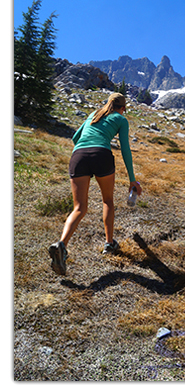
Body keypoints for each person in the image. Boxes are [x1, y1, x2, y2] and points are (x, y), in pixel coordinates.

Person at [48, 92, 141, 276]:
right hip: (101, 155)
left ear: (108, 104)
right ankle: (109, 244)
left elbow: (75, 138)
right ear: (123, 108)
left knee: (79, 208)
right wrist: (132, 179)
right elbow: (125, 148)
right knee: (107, 201)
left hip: (79, 156)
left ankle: (61, 245)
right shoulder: (121, 119)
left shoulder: (94, 114)